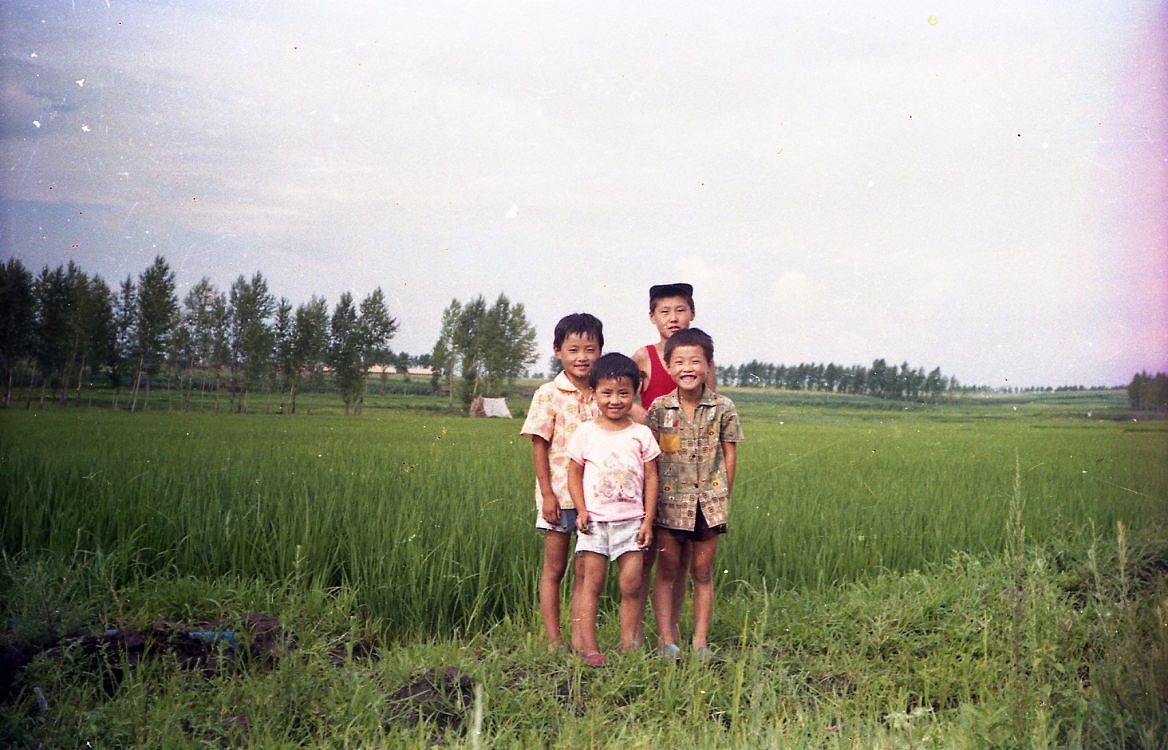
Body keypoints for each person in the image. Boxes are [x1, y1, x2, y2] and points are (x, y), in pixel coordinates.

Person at [645, 328, 742, 660]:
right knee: (668, 571)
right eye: (679, 361)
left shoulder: (722, 407)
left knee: (702, 573)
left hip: (709, 504)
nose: (688, 368)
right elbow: (650, 458)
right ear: (668, 366)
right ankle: (666, 642)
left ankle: (700, 643)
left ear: (708, 365)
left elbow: (729, 453)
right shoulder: (659, 409)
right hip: (669, 505)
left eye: (696, 361)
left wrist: (723, 494)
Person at [630, 282, 716, 646]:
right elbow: (621, 399)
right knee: (644, 554)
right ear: (653, 318)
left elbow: (712, 406)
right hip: (652, 463)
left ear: (692, 312)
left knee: (678, 562)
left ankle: (671, 634)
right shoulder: (644, 357)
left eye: (680, 310)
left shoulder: (699, 356)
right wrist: (654, 422)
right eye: (664, 312)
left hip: (689, 474)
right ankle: (632, 631)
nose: (673, 318)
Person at [565, 353, 661, 666]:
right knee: (591, 583)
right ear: (593, 394)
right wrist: (580, 510)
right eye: (606, 393)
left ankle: (628, 644)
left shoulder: (641, 434)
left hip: (631, 523)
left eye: (623, 393)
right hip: (594, 524)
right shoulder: (585, 433)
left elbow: (651, 477)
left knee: (631, 584)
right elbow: (573, 472)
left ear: (635, 392)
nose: (615, 401)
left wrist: (648, 519)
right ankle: (590, 649)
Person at [520, 313, 604, 652]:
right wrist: (548, 494)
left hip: (594, 501)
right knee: (554, 568)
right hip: (558, 497)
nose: (582, 357)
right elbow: (539, 444)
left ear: (600, 351)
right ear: (558, 351)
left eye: (590, 349)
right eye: (573, 349)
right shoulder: (548, 393)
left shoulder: (604, 392)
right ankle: (554, 640)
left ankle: (579, 639)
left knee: (585, 572)